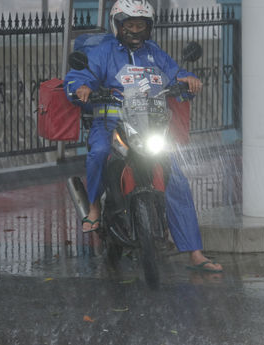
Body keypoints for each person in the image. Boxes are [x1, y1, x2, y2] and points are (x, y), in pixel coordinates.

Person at [64, 0, 222, 273]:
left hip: (149, 126)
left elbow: (176, 74)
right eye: (130, 25)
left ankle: (195, 253)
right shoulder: (103, 52)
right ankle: (93, 208)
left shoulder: (155, 53)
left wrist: (188, 80)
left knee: (177, 180)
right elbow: (79, 76)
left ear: (149, 28)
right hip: (110, 123)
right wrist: (81, 88)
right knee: (100, 153)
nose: (135, 30)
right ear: (118, 26)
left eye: (141, 25)